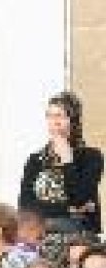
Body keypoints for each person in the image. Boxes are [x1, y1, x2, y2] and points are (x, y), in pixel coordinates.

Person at [20, 92, 103, 234]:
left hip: (78, 233)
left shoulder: (91, 157)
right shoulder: (35, 160)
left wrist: (67, 160)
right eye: (50, 116)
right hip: (40, 230)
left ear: (74, 121)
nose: (54, 122)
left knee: (52, 225)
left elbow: (79, 198)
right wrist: (68, 209)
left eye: (60, 116)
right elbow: (25, 206)